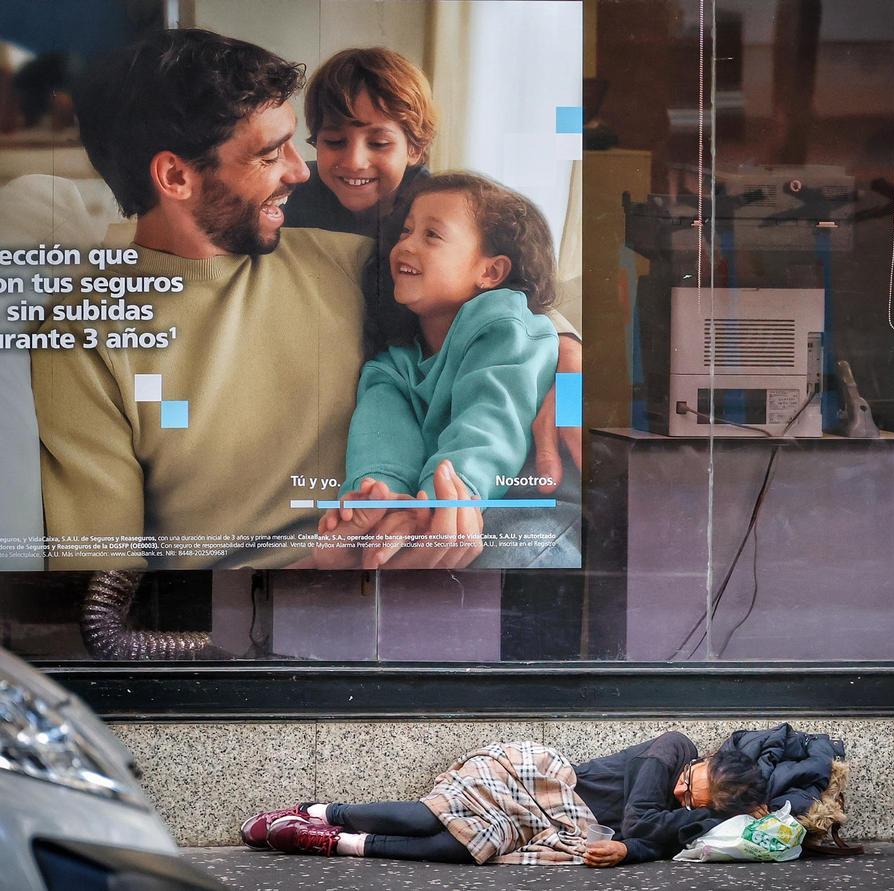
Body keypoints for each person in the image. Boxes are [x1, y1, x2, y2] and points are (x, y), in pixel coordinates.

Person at [28, 28, 577, 571]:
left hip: (418, 551)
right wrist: (315, 583)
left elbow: (504, 302)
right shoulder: (85, 336)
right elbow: (101, 592)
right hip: (249, 620)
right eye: (270, 154)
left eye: (295, 143)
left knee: (537, 548)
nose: (300, 170)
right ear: (175, 175)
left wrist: (568, 351)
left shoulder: (344, 260)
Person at [312, 172, 568, 569]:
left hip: (531, 499)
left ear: (491, 273)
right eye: (406, 231)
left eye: (432, 236)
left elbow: (491, 420)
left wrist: (439, 498)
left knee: (500, 559)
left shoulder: (506, 323)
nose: (406, 245)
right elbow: (382, 439)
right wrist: (380, 496)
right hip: (451, 503)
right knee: (390, 555)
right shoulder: (393, 366)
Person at [239, 731, 768, 866]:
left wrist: (634, 849)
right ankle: (312, 811)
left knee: (471, 847)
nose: (681, 788)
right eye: (690, 778)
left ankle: (333, 843)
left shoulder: (684, 818)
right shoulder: (673, 749)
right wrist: (640, 841)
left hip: (546, 824)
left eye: (692, 799)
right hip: (530, 777)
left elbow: (649, 838)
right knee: (432, 816)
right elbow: (639, 821)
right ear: (701, 761)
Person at [283, 47, 434, 240]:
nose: (354, 162)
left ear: (415, 147)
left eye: (379, 143)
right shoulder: (290, 193)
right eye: (334, 142)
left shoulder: (439, 212)